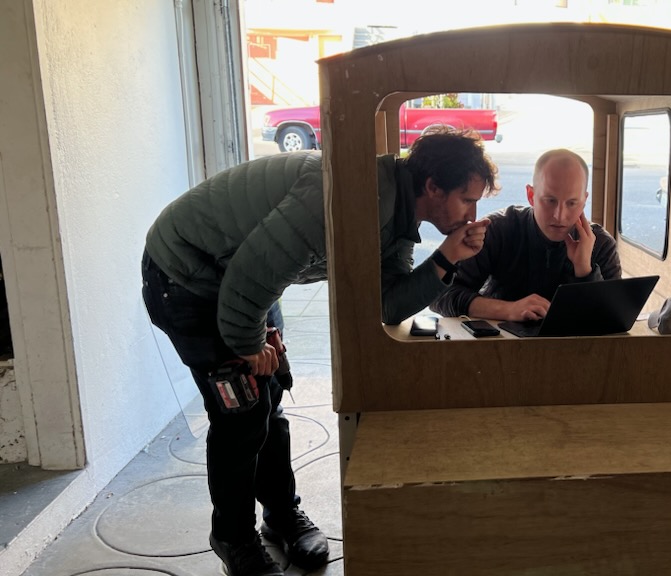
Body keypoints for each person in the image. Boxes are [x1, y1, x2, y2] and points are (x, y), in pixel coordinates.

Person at [141, 130, 498, 576]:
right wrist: (249, 344)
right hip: (187, 277)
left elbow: (386, 304)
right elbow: (245, 285)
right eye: (467, 200)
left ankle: (282, 515)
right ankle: (232, 537)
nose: (473, 213)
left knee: (269, 399)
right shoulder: (347, 197)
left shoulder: (396, 210)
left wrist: (448, 256)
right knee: (243, 412)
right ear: (432, 187)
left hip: (241, 275)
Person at [431, 148, 620, 322]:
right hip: (499, 351)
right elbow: (438, 296)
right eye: (550, 201)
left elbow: (614, 319)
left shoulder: (602, 244)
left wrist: (584, 271)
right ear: (531, 195)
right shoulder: (498, 230)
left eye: (572, 203)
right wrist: (508, 310)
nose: (559, 216)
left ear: (584, 200)